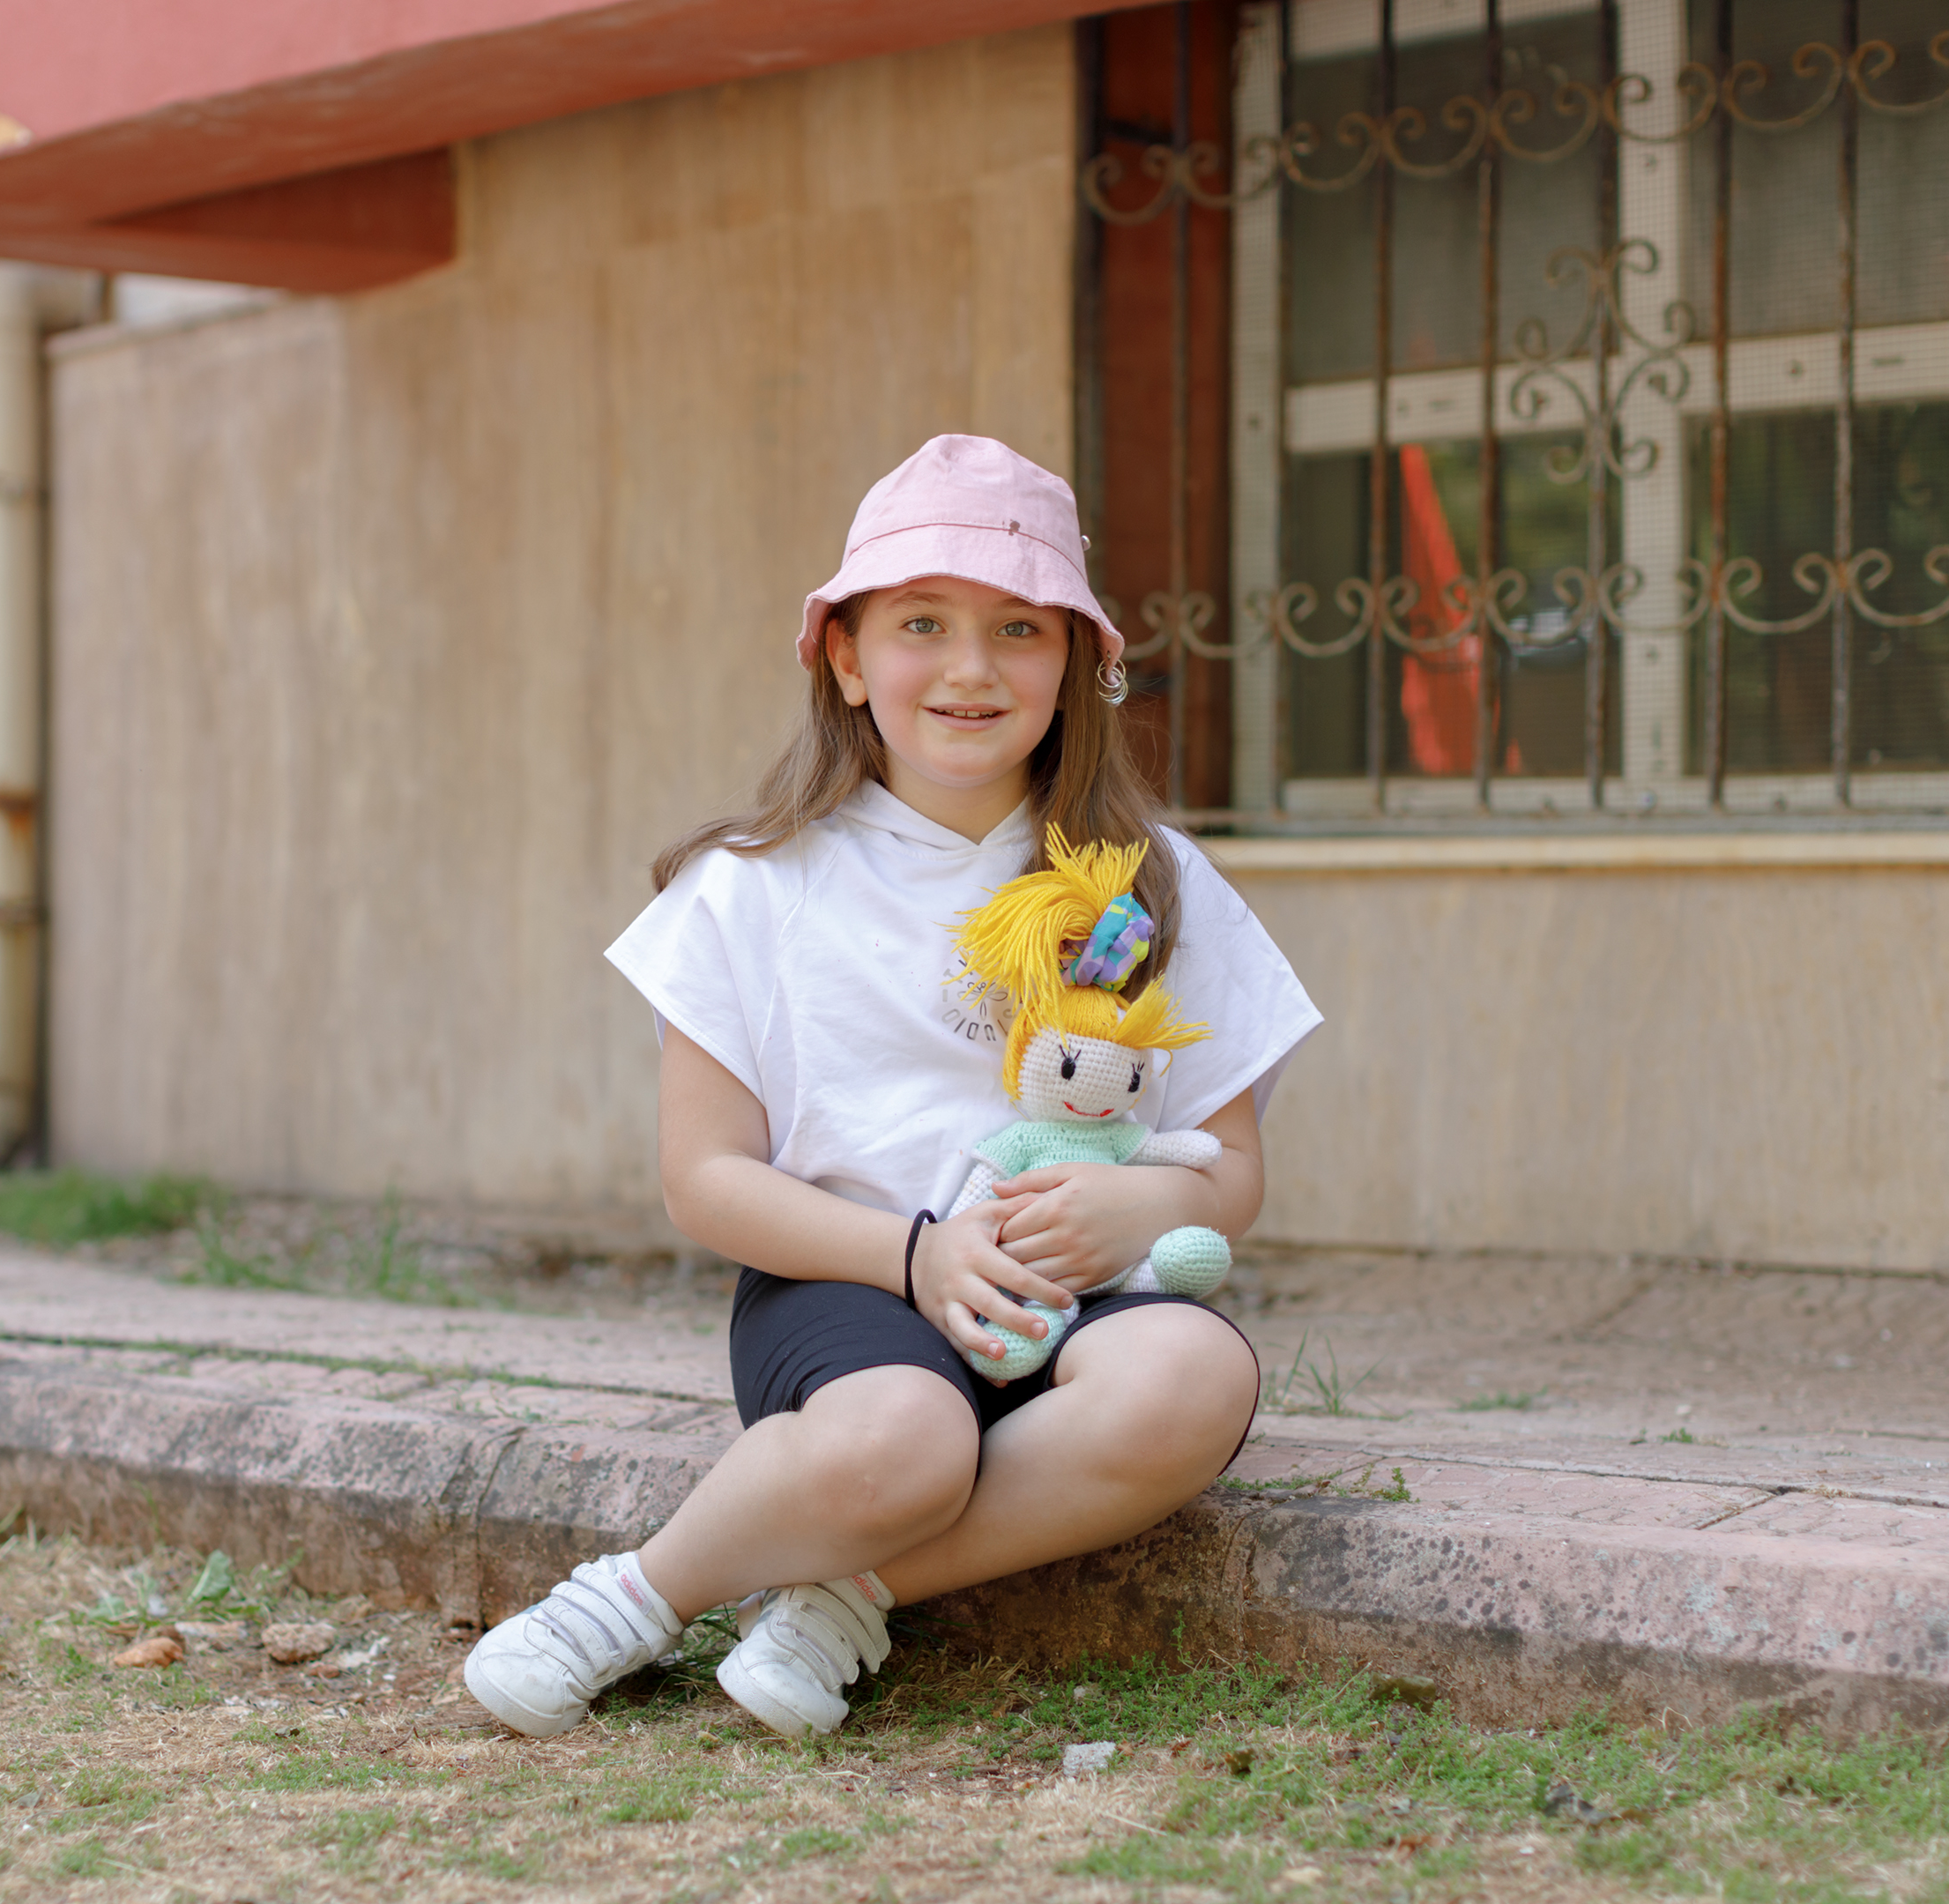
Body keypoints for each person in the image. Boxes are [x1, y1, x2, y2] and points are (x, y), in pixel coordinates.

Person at [462, 434, 1321, 1740]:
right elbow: (704, 1180)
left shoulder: (1150, 881)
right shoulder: (753, 886)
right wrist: (916, 1260)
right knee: (906, 1442)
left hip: (1080, 1294)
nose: (972, 668)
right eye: (922, 623)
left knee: (1193, 1381)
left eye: (1019, 628)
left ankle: (844, 1597)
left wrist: (1141, 1212)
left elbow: (1231, 1171)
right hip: (850, 1286)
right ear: (848, 657)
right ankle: (638, 1597)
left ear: (1076, 664)